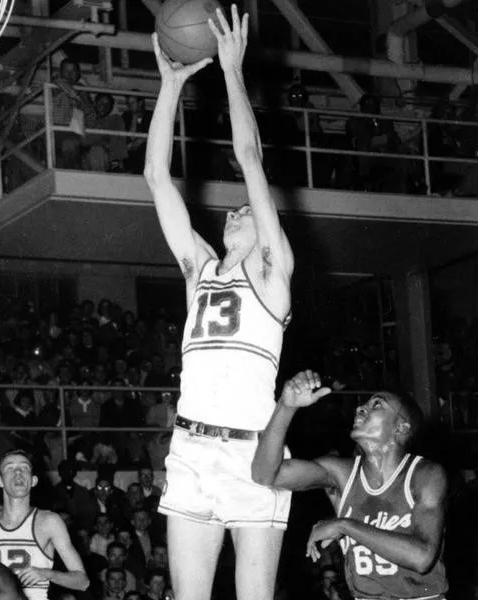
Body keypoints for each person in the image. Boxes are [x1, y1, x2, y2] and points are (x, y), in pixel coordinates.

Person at [144, 6, 294, 600]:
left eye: (248, 213)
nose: (237, 210)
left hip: (252, 454)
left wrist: (232, 71)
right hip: (190, 450)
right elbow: (157, 176)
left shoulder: (274, 274)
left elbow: (249, 158)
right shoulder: (198, 270)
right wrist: (169, 87)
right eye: (231, 210)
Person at [252, 370, 448, 600]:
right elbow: (265, 475)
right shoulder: (341, 473)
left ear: (401, 427)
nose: (360, 408)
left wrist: (344, 525)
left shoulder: (426, 474)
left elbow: (421, 557)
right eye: (363, 404)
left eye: (377, 405)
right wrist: (286, 406)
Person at [0, 450, 89, 600]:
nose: (18, 472)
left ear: (33, 480)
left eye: (24, 468)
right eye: (10, 468)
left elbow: (82, 582)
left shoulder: (49, 522)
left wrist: (46, 573)